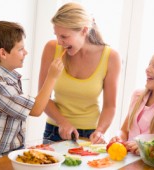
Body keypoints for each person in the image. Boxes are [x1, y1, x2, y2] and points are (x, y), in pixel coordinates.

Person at [0, 21, 64, 165]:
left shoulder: (10, 79)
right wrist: (52, 77)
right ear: (3, 53)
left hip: (6, 156)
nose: (25, 52)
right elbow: (37, 109)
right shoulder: (0, 85)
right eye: (20, 49)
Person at [38, 2, 121, 144]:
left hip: (90, 135)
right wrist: (62, 122)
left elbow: (110, 106)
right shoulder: (52, 49)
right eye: (57, 35)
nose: (59, 42)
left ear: (84, 30)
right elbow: (42, 97)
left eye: (64, 36)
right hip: (55, 130)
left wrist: (100, 131)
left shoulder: (111, 58)